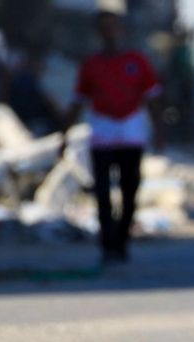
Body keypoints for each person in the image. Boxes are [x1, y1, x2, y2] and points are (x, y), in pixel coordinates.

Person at [64, 10, 162, 265]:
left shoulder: (136, 61)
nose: (110, 33)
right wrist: (64, 132)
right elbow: (78, 101)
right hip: (102, 131)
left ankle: (123, 239)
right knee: (103, 192)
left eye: (113, 27)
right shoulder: (91, 65)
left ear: (121, 30)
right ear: (98, 33)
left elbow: (152, 99)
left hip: (131, 131)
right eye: (104, 28)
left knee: (130, 189)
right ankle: (108, 244)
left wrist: (159, 130)